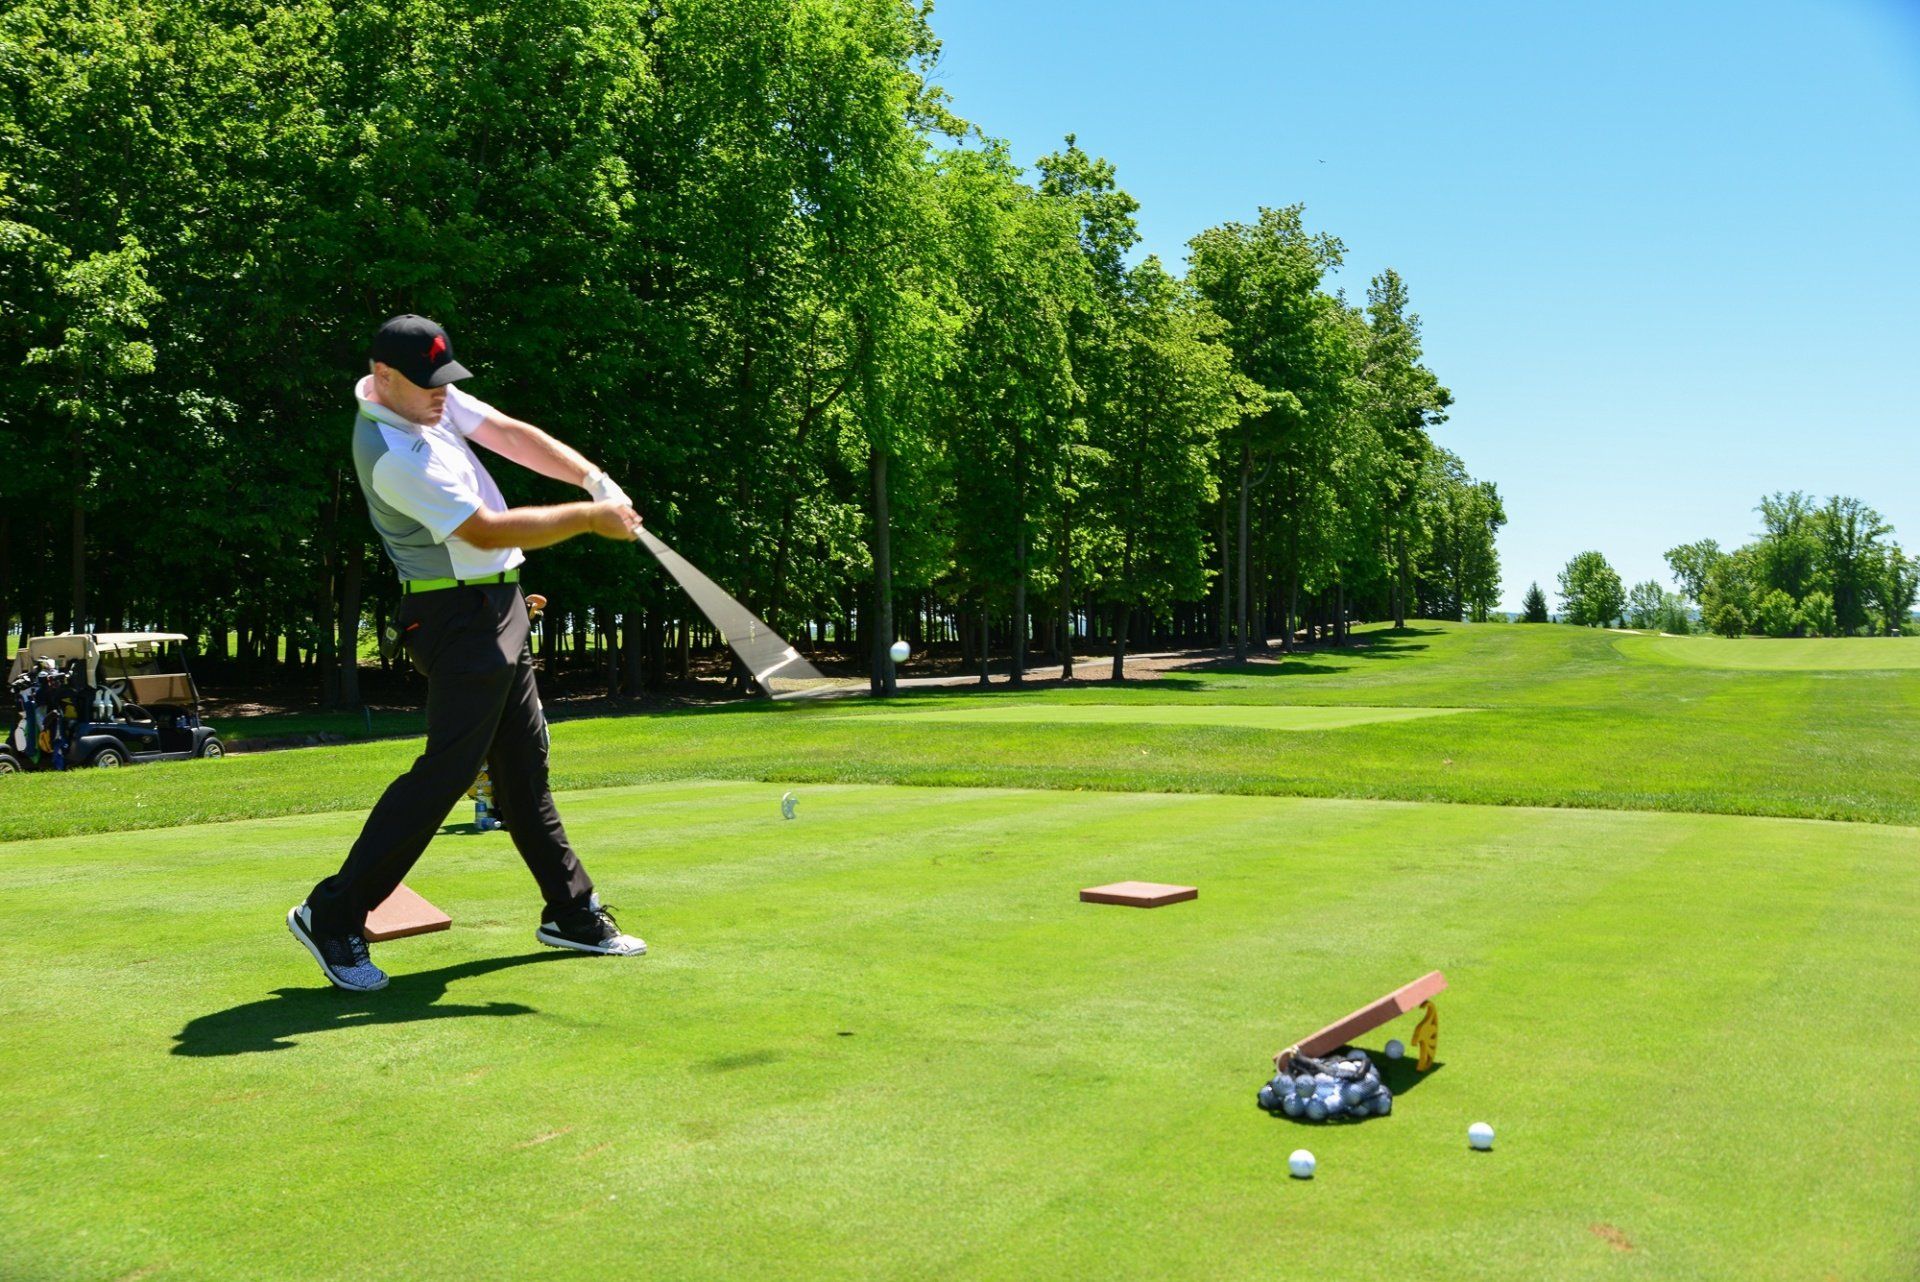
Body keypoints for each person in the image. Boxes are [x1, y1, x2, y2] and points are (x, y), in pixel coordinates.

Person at [288, 314, 646, 992]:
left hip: (498, 606)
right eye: (429, 384)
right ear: (384, 377)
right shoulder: (391, 451)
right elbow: (482, 532)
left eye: (446, 380)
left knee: (523, 766)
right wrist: (588, 519)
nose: (442, 395)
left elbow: (508, 433)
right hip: (454, 616)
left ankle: (570, 912)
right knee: (448, 771)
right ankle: (331, 914)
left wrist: (593, 478)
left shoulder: (431, 399)